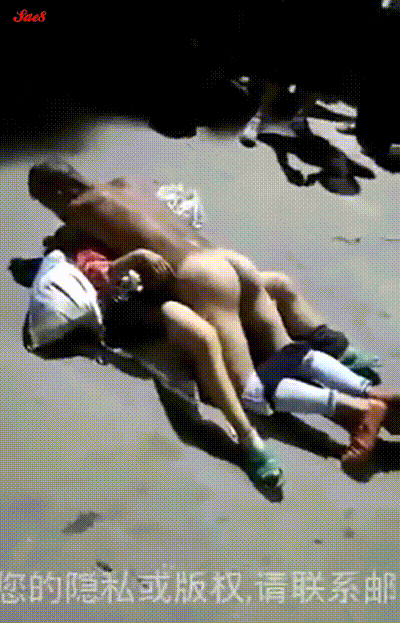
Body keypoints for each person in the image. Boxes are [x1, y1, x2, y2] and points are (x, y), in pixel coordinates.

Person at [26, 160, 397, 484]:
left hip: (201, 277)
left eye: (47, 201)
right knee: (287, 351)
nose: (52, 210)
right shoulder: (127, 183)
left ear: (62, 189)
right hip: (227, 259)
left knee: (250, 390)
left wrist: (59, 239)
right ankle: (370, 393)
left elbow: (67, 246)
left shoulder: (77, 210)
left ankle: (358, 412)